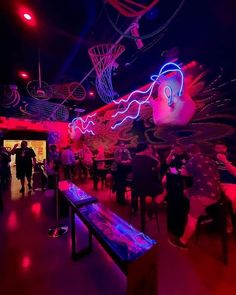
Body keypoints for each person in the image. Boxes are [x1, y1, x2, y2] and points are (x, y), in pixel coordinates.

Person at [169, 144, 221, 249]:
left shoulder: (192, 160)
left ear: (189, 153)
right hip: (217, 194)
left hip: (202, 195)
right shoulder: (209, 159)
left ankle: (183, 242)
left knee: (191, 217)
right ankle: (204, 213)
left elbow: (183, 173)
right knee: (187, 192)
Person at [132, 142, 165, 216]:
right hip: (146, 186)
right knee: (163, 190)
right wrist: (150, 155)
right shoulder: (148, 158)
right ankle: (152, 206)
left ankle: (148, 202)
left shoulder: (134, 158)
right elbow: (158, 164)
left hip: (136, 186)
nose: (149, 150)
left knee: (154, 186)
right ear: (144, 149)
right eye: (147, 148)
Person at [214, 141, 236, 213]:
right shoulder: (212, 159)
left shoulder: (232, 157)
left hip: (230, 183)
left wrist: (225, 161)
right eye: (218, 148)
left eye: (222, 148)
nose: (220, 150)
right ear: (214, 149)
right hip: (215, 184)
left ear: (226, 148)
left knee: (233, 199)